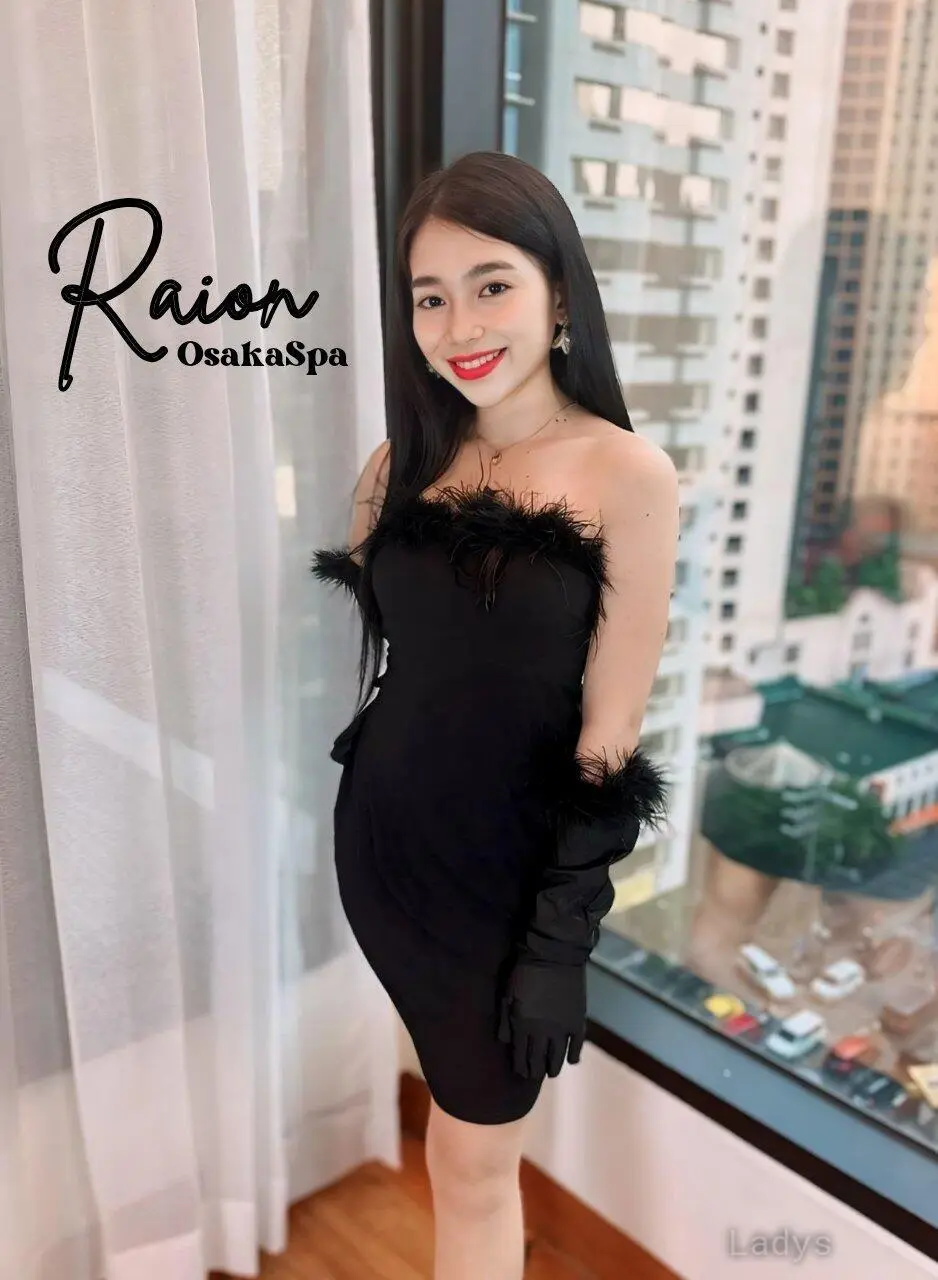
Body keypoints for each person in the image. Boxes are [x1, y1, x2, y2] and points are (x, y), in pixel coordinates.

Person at [311, 150, 679, 1280]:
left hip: (509, 878)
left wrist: (560, 941)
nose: (458, 324)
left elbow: (609, 729)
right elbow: (412, 659)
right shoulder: (397, 464)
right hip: (388, 846)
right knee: (456, 1148)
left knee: (474, 1165)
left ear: (559, 293)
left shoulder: (626, 472)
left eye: (491, 285)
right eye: (429, 297)